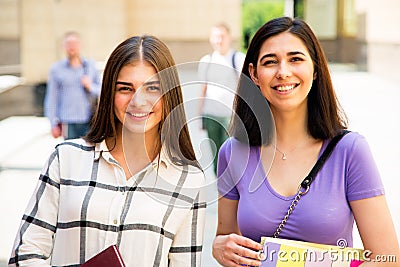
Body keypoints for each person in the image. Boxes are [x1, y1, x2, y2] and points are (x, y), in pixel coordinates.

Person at [212, 17, 399, 267]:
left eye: (295, 59)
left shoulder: (350, 151)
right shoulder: (233, 153)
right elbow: (227, 239)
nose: (283, 72)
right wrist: (219, 248)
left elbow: (388, 257)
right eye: (270, 62)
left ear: (315, 68)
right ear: (254, 74)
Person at [9, 35, 206, 266]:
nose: (138, 101)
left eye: (152, 88)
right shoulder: (65, 160)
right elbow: (25, 255)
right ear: (109, 95)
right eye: (125, 88)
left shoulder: (189, 179)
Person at [197, 23, 245, 175]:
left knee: (230, 154)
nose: (219, 40)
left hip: (230, 116)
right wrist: (200, 116)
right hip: (211, 115)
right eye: (216, 36)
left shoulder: (237, 58)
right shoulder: (206, 60)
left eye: (222, 36)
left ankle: (231, 187)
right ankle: (220, 188)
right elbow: (203, 88)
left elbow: (243, 89)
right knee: (216, 155)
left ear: (229, 38)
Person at [44, 31, 101, 140]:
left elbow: (102, 91)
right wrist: (52, 123)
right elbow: (52, 97)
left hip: (89, 120)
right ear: (63, 47)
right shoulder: (56, 69)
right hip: (68, 122)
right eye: (69, 44)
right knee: (69, 154)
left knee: (89, 154)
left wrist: (90, 86)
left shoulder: (90, 66)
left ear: (80, 45)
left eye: (74, 43)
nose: (72, 47)